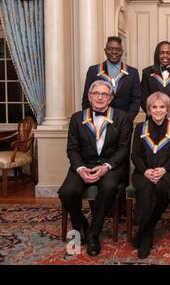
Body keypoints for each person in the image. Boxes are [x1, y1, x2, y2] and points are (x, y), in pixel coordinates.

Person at [59, 80, 131, 256]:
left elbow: (124, 149)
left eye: (105, 94)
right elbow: (72, 149)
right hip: (84, 163)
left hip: (111, 165)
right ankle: (80, 224)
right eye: (96, 93)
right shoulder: (77, 118)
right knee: (67, 192)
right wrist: (81, 169)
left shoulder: (122, 117)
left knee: (109, 187)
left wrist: (106, 167)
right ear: (90, 97)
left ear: (111, 98)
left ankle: (93, 234)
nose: (100, 97)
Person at [131, 91, 170, 259]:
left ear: (168, 110)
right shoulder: (140, 127)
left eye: (162, 107)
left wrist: (163, 170)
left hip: (167, 172)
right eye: (154, 107)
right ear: (149, 109)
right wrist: (146, 171)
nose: (158, 110)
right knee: (146, 187)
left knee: (161, 189)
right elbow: (135, 155)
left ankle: (145, 230)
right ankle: (147, 236)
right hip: (143, 172)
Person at [82, 36, 141, 123]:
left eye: (117, 49)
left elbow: (136, 100)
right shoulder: (93, 71)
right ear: (105, 50)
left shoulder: (132, 72)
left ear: (122, 51)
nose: (114, 52)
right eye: (110, 49)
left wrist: (127, 119)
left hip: (124, 123)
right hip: (98, 122)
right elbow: (87, 99)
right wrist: (92, 120)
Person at [140, 41, 170, 111]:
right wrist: (154, 113)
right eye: (162, 53)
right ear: (157, 55)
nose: (165, 56)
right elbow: (143, 98)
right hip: (153, 117)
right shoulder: (147, 73)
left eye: (168, 53)